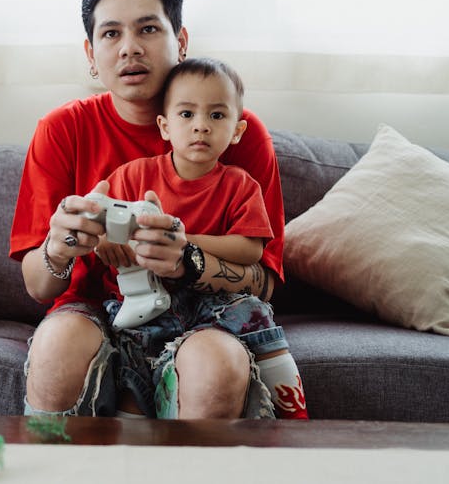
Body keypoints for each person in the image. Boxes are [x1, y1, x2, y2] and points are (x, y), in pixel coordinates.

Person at [9, 0, 301, 419]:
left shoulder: (236, 132)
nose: (129, 48)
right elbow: (38, 285)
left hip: (202, 317)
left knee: (216, 364)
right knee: (58, 344)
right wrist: (62, 246)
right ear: (90, 53)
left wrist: (188, 259)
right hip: (93, 310)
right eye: (110, 34)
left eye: (147, 29)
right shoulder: (62, 129)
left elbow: (263, 284)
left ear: (180, 41)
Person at [96, 57, 307, 419]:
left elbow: (250, 248)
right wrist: (104, 241)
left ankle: (293, 417)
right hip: (147, 301)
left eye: (217, 116)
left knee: (256, 315)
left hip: (218, 302)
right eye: (187, 115)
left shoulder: (241, 184)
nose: (201, 127)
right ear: (164, 126)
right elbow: (102, 222)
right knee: (129, 352)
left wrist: (182, 239)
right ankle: (131, 447)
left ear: (238, 131)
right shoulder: (133, 175)